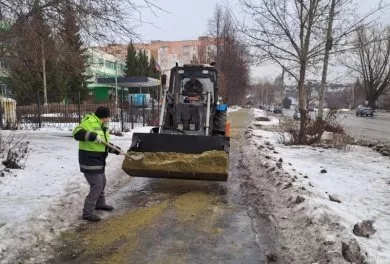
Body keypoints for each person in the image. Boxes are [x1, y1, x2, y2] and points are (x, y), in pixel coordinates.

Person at [72, 106, 123, 222]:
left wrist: (116, 150)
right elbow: (76, 133)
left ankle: (100, 204)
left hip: (99, 160)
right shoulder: (88, 121)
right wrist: (92, 136)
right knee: (97, 185)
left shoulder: (102, 127)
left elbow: (104, 144)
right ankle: (88, 212)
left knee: (102, 182)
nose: (109, 120)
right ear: (103, 117)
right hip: (89, 160)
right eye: (108, 117)